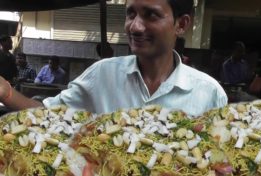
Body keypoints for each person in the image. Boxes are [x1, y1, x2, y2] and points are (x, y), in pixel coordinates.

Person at [0, 0, 227, 117]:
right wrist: (6, 92)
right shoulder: (102, 75)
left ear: (182, 24)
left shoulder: (209, 94)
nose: (135, 26)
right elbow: (48, 115)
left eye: (151, 15)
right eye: (131, 14)